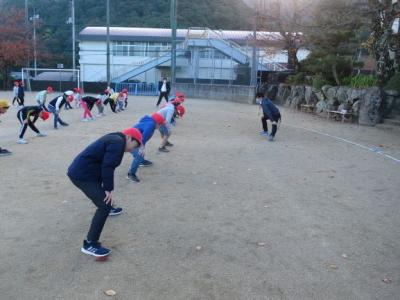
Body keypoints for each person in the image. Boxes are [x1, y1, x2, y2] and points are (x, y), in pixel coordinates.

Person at [67, 128, 142, 257]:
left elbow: (104, 163)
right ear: (129, 137)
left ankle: (109, 209)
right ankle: (90, 244)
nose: (131, 150)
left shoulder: (116, 139)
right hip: (82, 175)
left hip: (88, 172)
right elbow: (108, 166)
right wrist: (108, 190)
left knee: (105, 202)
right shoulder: (118, 142)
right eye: (134, 146)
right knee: (104, 205)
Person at [126, 113, 165, 182]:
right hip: (129, 140)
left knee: (140, 153)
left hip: (133, 139)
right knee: (139, 154)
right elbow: (143, 138)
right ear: (157, 123)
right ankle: (131, 174)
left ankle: (141, 161)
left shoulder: (150, 122)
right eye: (160, 124)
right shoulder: (151, 125)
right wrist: (141, 148)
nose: (161, 126)